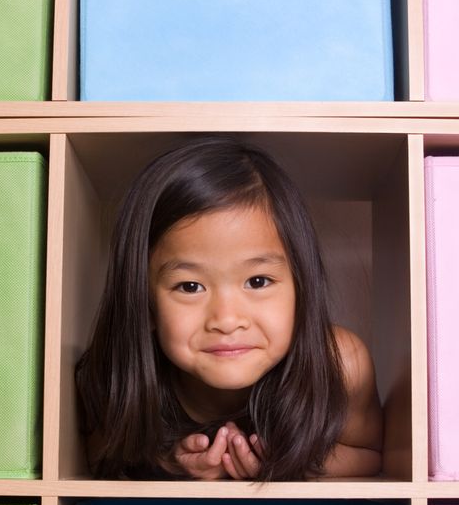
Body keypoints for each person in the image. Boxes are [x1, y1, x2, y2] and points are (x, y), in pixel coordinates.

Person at [75, 136, 383, 481]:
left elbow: (371, 456)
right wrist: (170, 464)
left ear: (301, 286)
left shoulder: (340, 363)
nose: (226, 320)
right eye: (190, 287)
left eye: (258, 281)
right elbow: (95, 456)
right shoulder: (118, 370)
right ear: (144, 303)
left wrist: (292, 466)